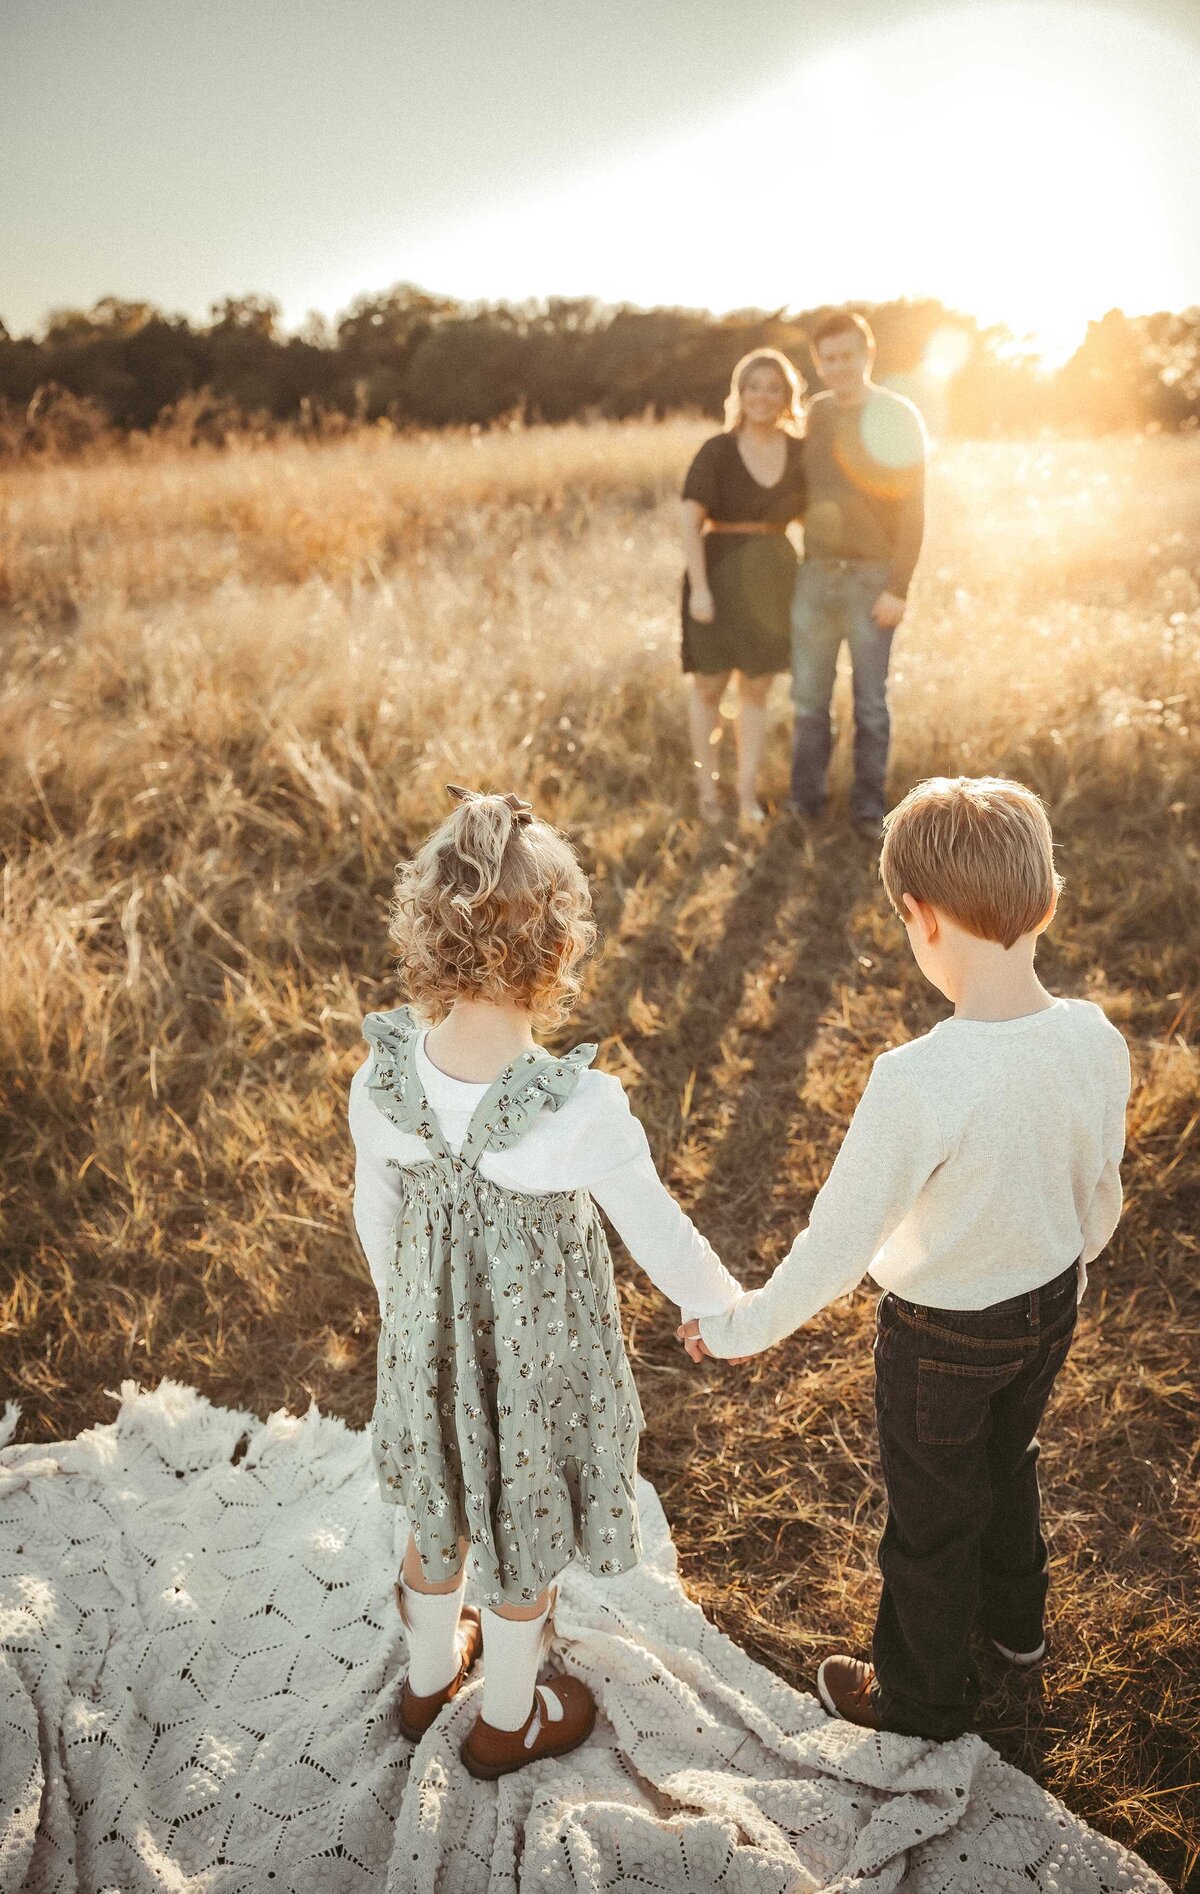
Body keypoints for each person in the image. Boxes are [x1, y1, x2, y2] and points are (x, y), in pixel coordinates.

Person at [679, 776, 1130, 1741]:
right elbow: (1101, 1182)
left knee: (930, 1519)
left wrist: (745, 1325)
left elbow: (837, 1244)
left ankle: (922, 1697)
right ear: (1046, 899)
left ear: (920, 920)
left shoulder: (918, 1080)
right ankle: (1016, 1630)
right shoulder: (1095, 1037)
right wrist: (1074, 1265)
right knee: (1011, 1461)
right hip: (1052, 1305)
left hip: (940, 1337)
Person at [349, 784, 742, 1777]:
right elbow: (660, 1231)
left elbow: (376, 1213)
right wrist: (726, 1309)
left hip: (425, 1354)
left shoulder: (384, 1080)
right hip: (532, 1375)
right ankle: (507, 1719)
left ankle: (428, 1676)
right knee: (521, 1532)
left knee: (436, 1511)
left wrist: (408, 1324)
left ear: (427, 935)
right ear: (561, 947)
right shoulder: (579, 1109)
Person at [790, 310, 927, 837]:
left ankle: (868, 809)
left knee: (870, 703)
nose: (839, 366)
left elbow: (914, 508)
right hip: (815, 577)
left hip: (873, 581)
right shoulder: (814, 416)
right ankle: (806, 803)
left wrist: (899, 587)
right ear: (819, 364)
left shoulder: (897, 415)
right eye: (829, 358)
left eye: (848, 355)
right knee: (809, 700)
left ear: (866, 355)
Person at [680, 348, 808, 824]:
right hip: (717, 573)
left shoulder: (800, 451)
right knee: (709, 689)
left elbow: (819, 512)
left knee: (756, 691)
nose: (762, 395)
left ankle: (747, 794)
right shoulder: (717, 449)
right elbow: (688, 522)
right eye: (753, 386)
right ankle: (708, 795)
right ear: (740, 393)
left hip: (775, 577)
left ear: (786, 396)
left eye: (773, 387)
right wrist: (699, 589)